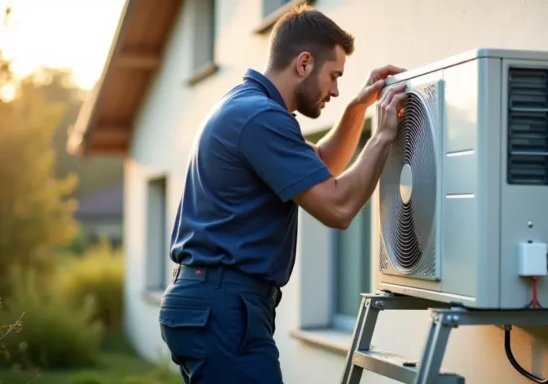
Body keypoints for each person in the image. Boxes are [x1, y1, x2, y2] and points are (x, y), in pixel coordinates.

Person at [158, 5, 408, 384]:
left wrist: (360, 109)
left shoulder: (248, 106)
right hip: (224, 307)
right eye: (334, 75)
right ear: (304, 63)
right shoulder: (261, 118)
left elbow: (322, 165)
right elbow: (337, 207)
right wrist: (383, 136)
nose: (336, 90)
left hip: (213, 303)